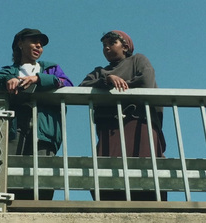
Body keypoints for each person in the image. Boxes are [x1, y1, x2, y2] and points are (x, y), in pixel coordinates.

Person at [0, 28, 73, 200]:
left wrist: (38, 79)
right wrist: (8, 80)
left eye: (41, 43)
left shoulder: (50, 68)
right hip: (15, 129)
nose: (39, 46)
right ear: (20, 44)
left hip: (45, 131)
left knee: (44, 176)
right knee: (11, 172)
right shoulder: (9, 71)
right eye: (34, 41)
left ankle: (39, 212)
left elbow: (66, 83)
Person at [79, 30, 167, 201]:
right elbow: (83, 86)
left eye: (112, 43)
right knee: (106, 172)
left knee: (144, 169)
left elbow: (146, 81)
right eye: (104, 45)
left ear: (125, 46)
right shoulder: (101, 72)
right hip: (110, 128)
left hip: (138, 124)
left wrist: (122, 85)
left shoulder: (138, 60)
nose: (106, 48)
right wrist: (108, 79)